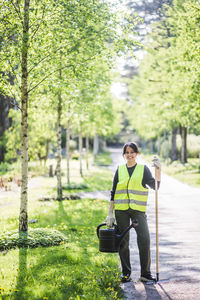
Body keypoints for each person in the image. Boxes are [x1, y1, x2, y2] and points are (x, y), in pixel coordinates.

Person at [105, 142, 161, 283]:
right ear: (124, 154)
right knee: (123, 241)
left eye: (132, 152)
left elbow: (156, 186)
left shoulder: (143, 169)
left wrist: (159, 169)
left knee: (144, 239)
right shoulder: (120, 170)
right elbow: (113, 192)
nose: (129, 155)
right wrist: (110, 213)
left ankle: (145, 274)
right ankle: (126, 273)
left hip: (138, 211)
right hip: (121, 211)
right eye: (127, 152)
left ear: (137, 153)